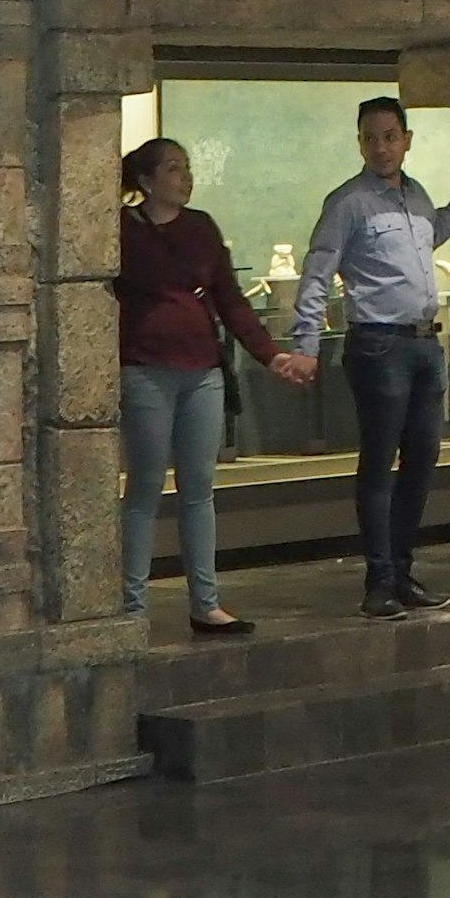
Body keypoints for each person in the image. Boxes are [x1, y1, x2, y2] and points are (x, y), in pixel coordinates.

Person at [279, 96, 450, 619]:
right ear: (360, 143)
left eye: (391, 136)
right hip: (378, 345)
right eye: (371, 138)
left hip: (423, 344)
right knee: (379, 462)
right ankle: (379, 581)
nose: (382, 147)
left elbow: (435, 230)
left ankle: (403, 569)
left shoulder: (414, 198)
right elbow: (318, 270)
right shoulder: (348, 202)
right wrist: (304, 343)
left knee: (422, 461)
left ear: (407, 139)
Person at [114, 136, 283, 638]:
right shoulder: (125, 231)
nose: (184, 178)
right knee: (144, 485)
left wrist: (270, 354)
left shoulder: (201, 228)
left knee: (199, 489)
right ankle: (131, 603)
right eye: (172, 169)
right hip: (146, 368)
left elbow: (230, 299)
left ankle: (205, 601)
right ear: (145, 181)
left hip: (202, 370)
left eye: (186, 169)